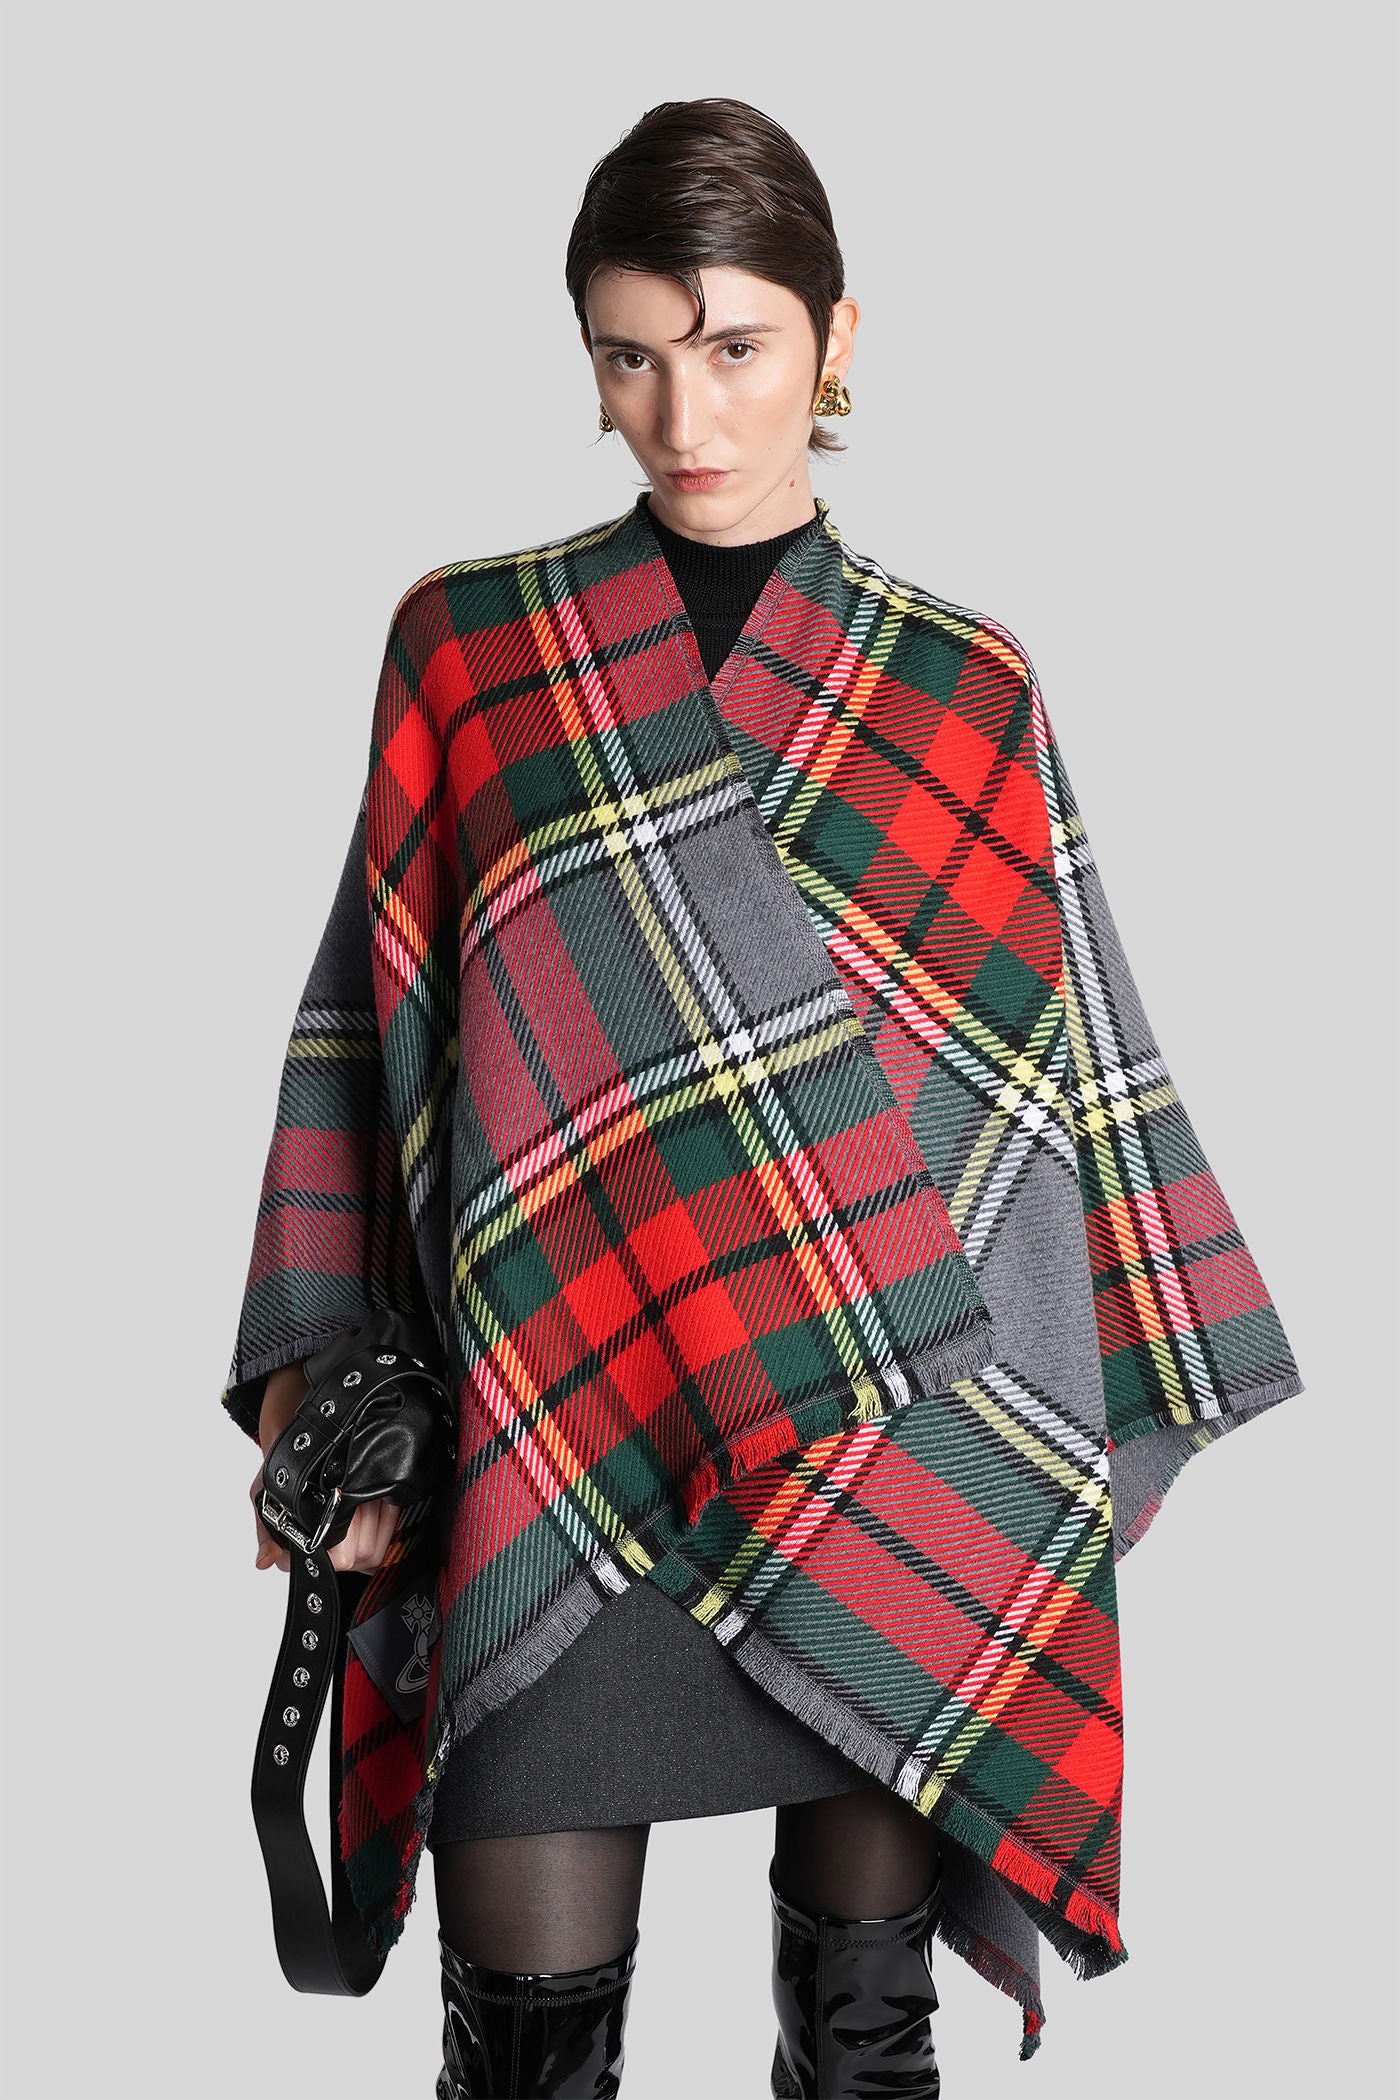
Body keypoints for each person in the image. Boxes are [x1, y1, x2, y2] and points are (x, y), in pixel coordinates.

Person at [228, 96, 1303, 2100]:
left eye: (733, 347)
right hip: (564, 1443)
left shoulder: (963, 683)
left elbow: (1043, 1110)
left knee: (865, 2053)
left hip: (892, 1456)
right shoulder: (471, 648)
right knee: (521, 2063)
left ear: (835, 337)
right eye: (629, 356)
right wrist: (317, 1389)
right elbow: (368, 1038)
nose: (684, 413)